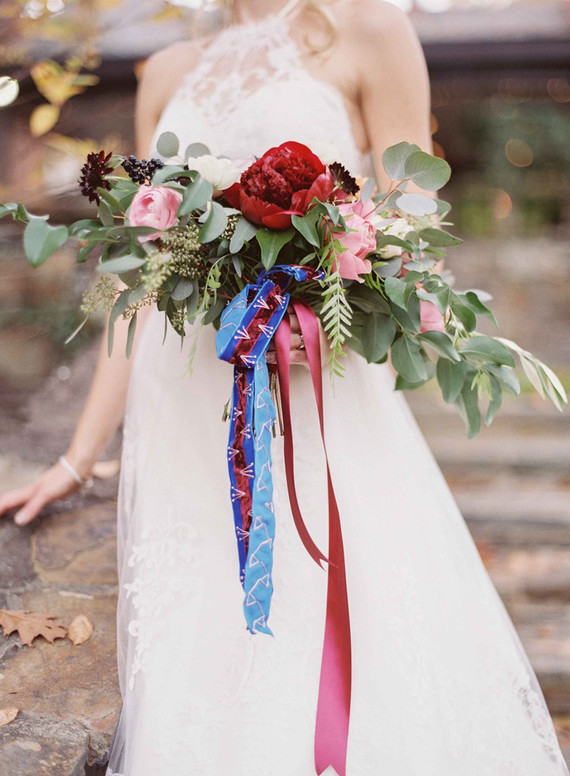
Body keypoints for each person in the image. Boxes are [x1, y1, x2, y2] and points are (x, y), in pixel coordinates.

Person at [1, 1, 568, 774]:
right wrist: (77, 456)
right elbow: (135, 286)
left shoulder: (370, 29)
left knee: (334, 649)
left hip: (314, 405)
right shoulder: (165, 70)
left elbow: (413, 234)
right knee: (200, 667)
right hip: (184, 427)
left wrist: (328, 302)